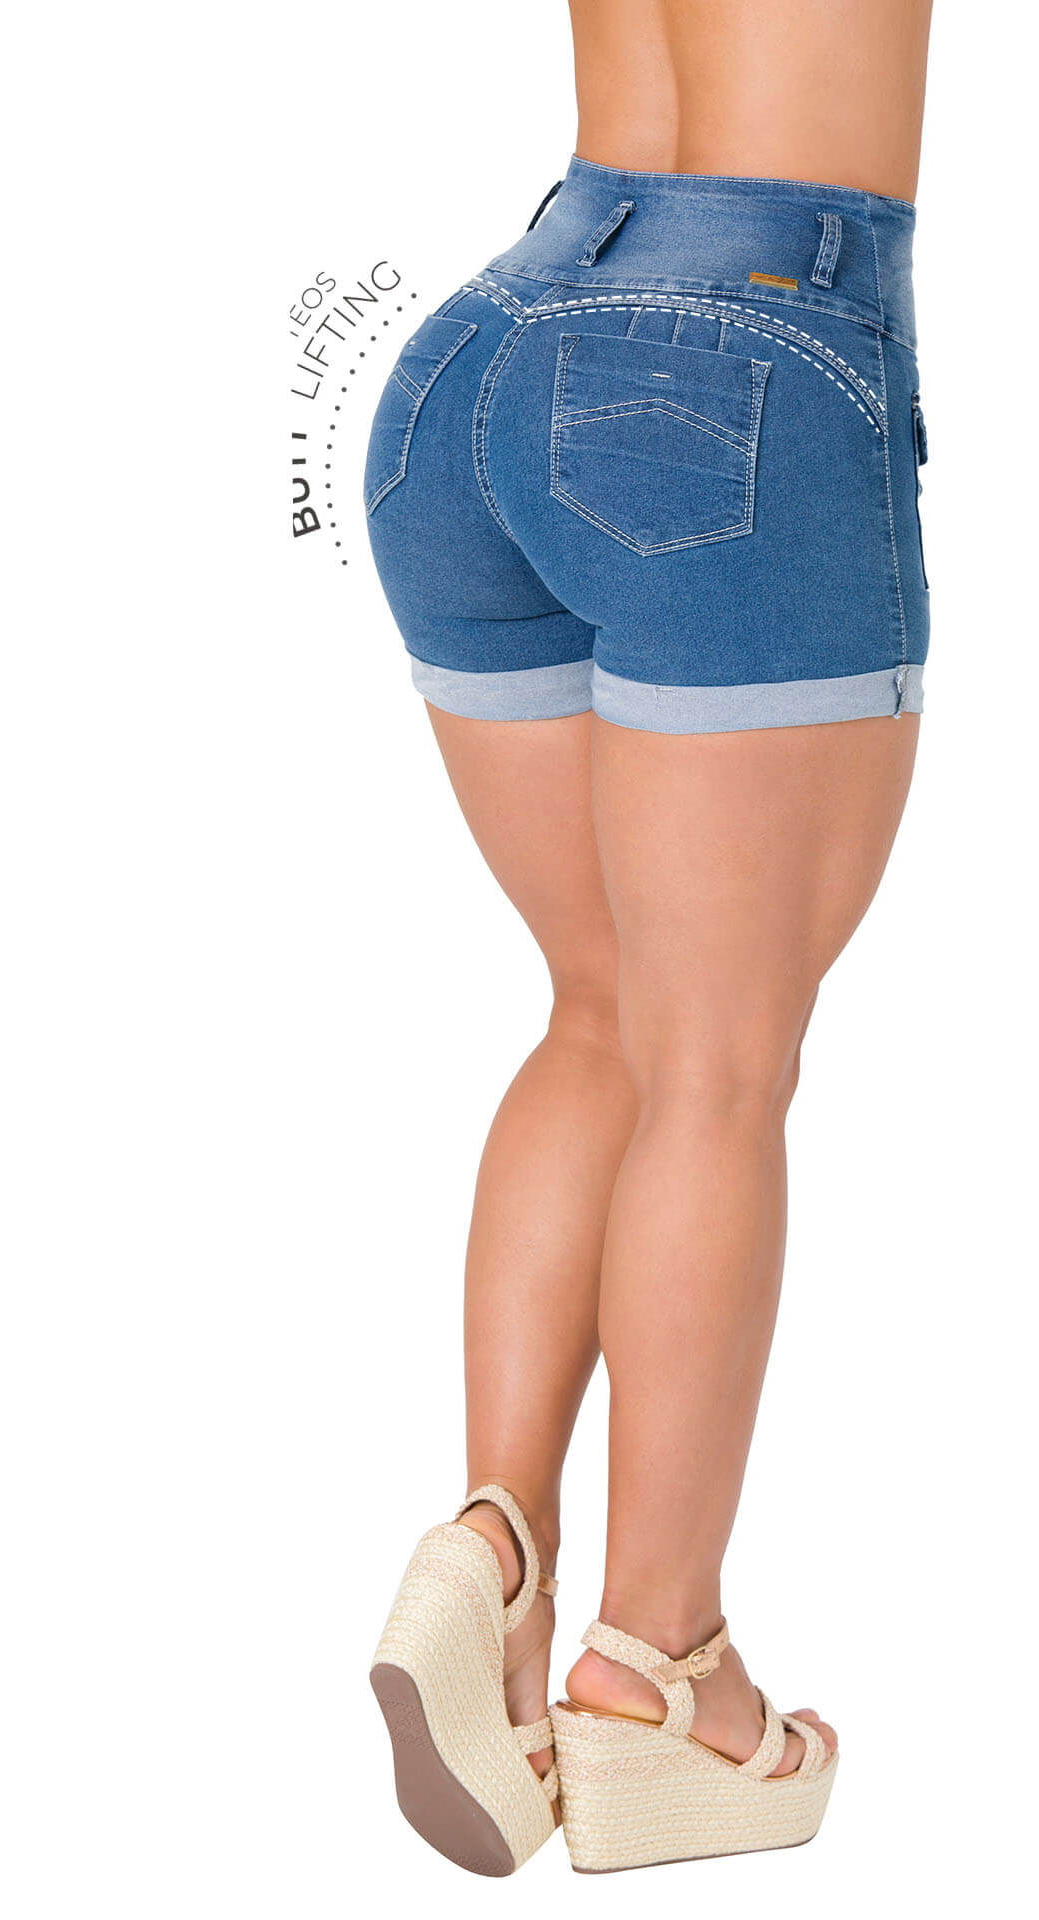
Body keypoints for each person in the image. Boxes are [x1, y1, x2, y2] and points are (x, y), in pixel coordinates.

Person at [365, 0, 934, 1877]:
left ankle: (492, 1557)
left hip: (494, 344)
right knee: (717, 1063)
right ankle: (660, 1667)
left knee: (605, 1008)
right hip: (748, 354)